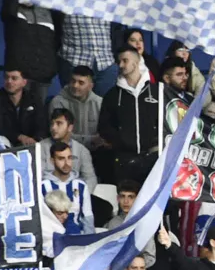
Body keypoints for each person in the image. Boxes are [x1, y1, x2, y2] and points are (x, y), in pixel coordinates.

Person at [98, 47, 162, 178]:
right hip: (124, 160)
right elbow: (103, 126)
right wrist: (121, 141)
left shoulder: (158, 91)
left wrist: (155, 142)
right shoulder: (112, 95)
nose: (120, 65)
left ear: (136, 62)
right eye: (119, 61)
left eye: (124, 60)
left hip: (154, 158)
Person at [48, 67, 103, 147]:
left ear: (90, 86)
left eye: (81, 83)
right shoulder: (57, 102)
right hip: (66, 150)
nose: (75, 85)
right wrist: (91, 140)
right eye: (73, 81)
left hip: (96, 151)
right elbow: (58, 134)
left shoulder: (99, 103)